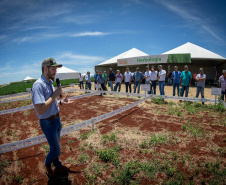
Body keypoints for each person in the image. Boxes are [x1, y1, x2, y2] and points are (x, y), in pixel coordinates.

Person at [32, 58, 74, 177]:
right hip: (48, 122)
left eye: (56, 69)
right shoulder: (38, 85)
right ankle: (47, 164)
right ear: (45, 69)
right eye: (53, 69)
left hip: (56, 119)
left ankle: (58, 165)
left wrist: (61, 102)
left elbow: (50, 103)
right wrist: (55, 95)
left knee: (54, 147)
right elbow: (40, 109)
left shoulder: (49, 82)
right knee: (56, 150)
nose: (55, 72)